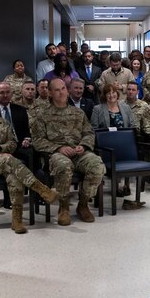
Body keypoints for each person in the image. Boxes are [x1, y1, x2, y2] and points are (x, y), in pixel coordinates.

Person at [0, 89, 58, 234]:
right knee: (11, 161)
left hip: (3, 160)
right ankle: (41, 189)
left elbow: (12, 143)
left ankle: (17, 220)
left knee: (14, 176)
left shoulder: (3, 122)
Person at [30, 78, 106, 225]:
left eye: (63, 88)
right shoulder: (42, 115)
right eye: (57, 90)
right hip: (56, 154)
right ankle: (63, 207)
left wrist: (83, 145)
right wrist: (58, 148)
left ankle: (83, 205)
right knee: (64, 166)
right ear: (50, 93)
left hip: (78, 152)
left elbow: (89, 133)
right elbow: (38, 140)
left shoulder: (78, 113)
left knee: (97, 165)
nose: (61, 92)